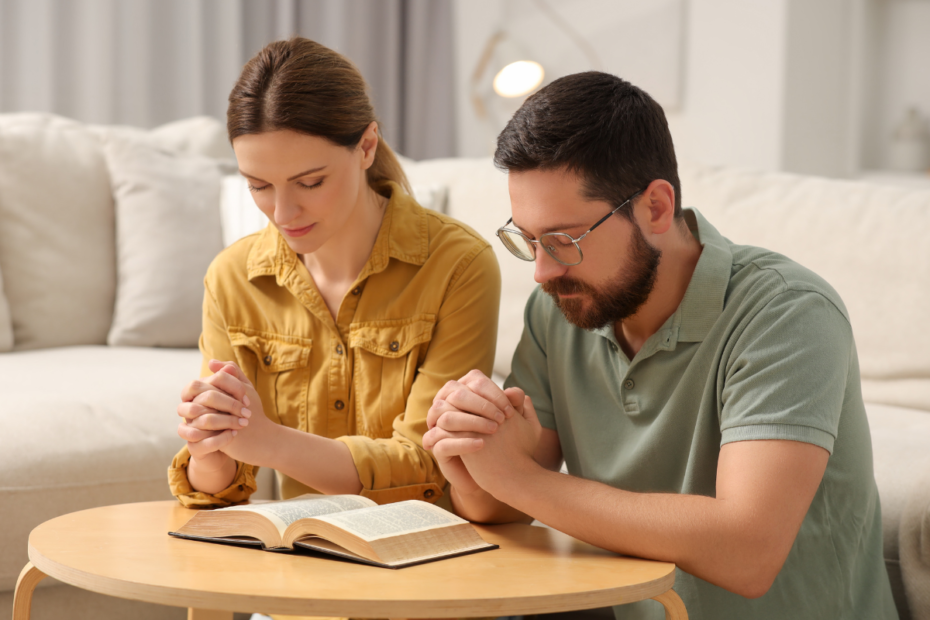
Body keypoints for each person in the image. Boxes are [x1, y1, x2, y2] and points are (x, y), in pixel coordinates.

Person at [422, 72, 899, 619]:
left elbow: (748, 553)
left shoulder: (789, 313)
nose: (541, 271)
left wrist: (520, 479)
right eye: (527, 240)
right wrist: (469, 454)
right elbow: (504, 505)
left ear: (655, 207)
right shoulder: (562, 305)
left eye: (563, 240)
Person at [167, 37, 500, 515]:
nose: (282, 211)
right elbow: (217, 488)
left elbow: (429, 466)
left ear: (366, 146)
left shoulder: (458, 265)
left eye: (310, 182)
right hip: (302, 554)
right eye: (259, 186)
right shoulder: (232, 278)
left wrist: (267, 442)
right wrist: (209, 446)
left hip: (423, 555)